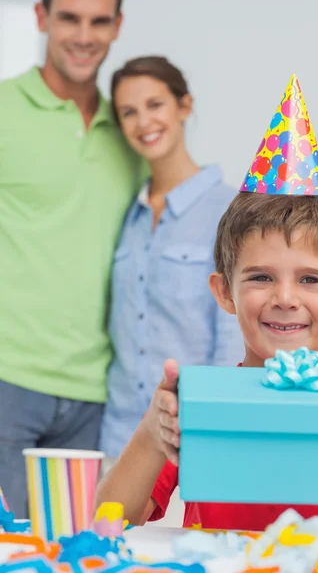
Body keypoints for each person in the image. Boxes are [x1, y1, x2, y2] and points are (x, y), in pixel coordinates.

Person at [96, 76, 318, 530]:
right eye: (261, 277)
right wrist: (155, 431)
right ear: (224, 292)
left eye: (310, 279)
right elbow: (109, 518)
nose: (285, 298)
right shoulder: (204, 404)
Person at [0, 0, 148, 518]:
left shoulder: (133, 132)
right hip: (8, 380)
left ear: (117, 26)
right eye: (69, 18)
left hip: (96, 394)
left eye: (98, 20)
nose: (83, 35)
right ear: (41, 18)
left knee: (78, 553)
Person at [100, 56, 244, 459]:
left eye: (155, 104)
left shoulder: (229, 209)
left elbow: (236, 334)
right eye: (129, 112)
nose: (143, 122)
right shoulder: (128, 216)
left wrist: (212, 425)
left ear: (184, 105)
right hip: (120, 442)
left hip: (192, 438)